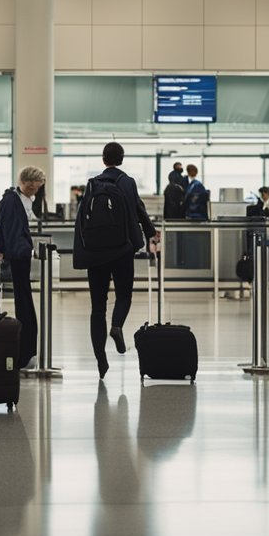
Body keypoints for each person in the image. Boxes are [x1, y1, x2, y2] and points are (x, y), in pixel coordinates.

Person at [73, 142, 159, 379]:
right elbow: (138, 210)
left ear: (103, 159)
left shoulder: (92, 184)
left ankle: (101, 359)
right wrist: (151, 232)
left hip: (95, 253)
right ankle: (117, 326)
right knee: (124, 295)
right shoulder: (128, 182)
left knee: (97, 308)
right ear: (121, 159)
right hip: (122, 249)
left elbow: (81, 220)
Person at [0, 166, 46, 369]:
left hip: (18, 255)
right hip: (18, 257)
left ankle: (28, 351)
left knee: (25, 302)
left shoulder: (16, 199)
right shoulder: (12, 201)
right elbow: (10, 230)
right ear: (27, 183)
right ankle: (25, 352)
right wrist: (26, 251)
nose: (36, 191)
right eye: (35, 187)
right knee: (23, 303)